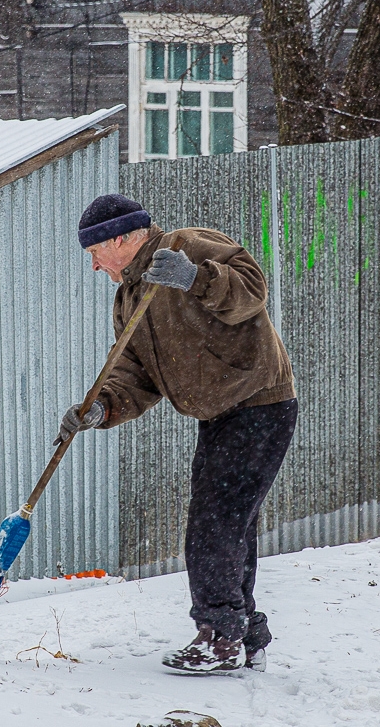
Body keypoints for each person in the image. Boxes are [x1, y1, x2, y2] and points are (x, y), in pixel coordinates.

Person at [59, 193, 297, 674]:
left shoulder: (190, 245)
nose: (93, 266)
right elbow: (134, 372)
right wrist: (100, 408)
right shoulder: (129, 297)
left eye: (94, 253)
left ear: (121, 238)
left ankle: (219, 638)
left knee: (215, 524)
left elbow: (252, 291)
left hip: (259, 403)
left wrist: (194, 278)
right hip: (219, 415)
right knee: (230, 524)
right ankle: (244, 632)